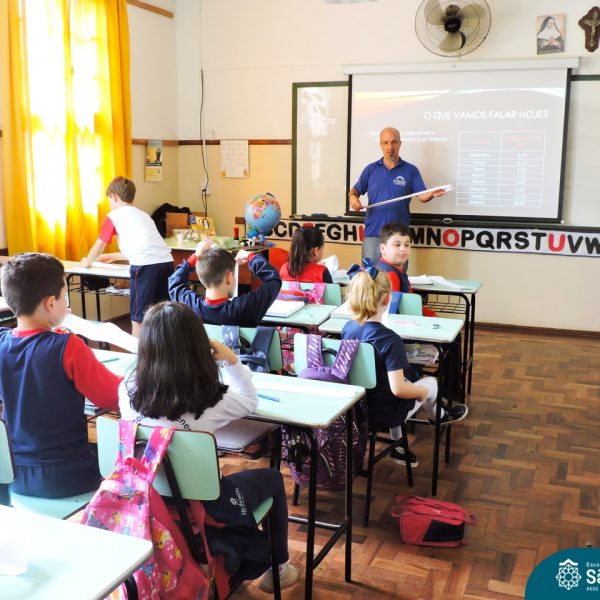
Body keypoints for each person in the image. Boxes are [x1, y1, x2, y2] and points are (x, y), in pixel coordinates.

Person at [118, 301, 299, 593]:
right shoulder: (211, 399)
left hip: (147, 500)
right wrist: (232, 360)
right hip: (206, 506)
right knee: (274, 478)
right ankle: (278, 568)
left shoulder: (127, 392)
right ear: (198, 345)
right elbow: (250, 401)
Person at [0, 253, 121, 498]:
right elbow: (113, 397)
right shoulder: (68, 346)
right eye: (65, 295)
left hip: (14, 474)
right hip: (68, 475)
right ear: (50, 304)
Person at [340, 260, 467, 467]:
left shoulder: (348, 329)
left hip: (356, 409)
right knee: (430, 384)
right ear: (388, 299)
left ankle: (399, 448)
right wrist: (421, 393)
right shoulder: (390, 340)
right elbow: (399, 390)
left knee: (397, 382)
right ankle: (438, 417)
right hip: (385, 413)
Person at [81, 176, 174, 337]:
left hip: (145, 267)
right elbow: (146, 247)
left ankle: (136, 352)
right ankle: (165, 349)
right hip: (166, 262)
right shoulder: (143, 215)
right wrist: (114, 256)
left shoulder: (114, 216)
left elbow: (98, 247)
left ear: (114, 196)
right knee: (163, 313)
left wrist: (86, 261)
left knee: (138, 318)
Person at [348, 127, 447, 263]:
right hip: (373, 236)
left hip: (399, 237)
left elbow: (422, 196)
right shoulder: (370, 170)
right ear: (381, 145)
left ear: (400, 143)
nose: (390, 147)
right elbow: (354, 191)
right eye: (386, 142)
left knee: (396, 276)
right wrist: (353, 198)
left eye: (394, 142)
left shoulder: (411, 170)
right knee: (370, 276)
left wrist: (431, 194)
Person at [168, 238, 281, 326]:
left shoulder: (190, 306)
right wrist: (249, 256)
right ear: (228, 278)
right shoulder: (245, 308)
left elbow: (174, 282)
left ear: (202, 277)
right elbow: (273, 280)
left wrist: (196, 255)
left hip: (202, 350)